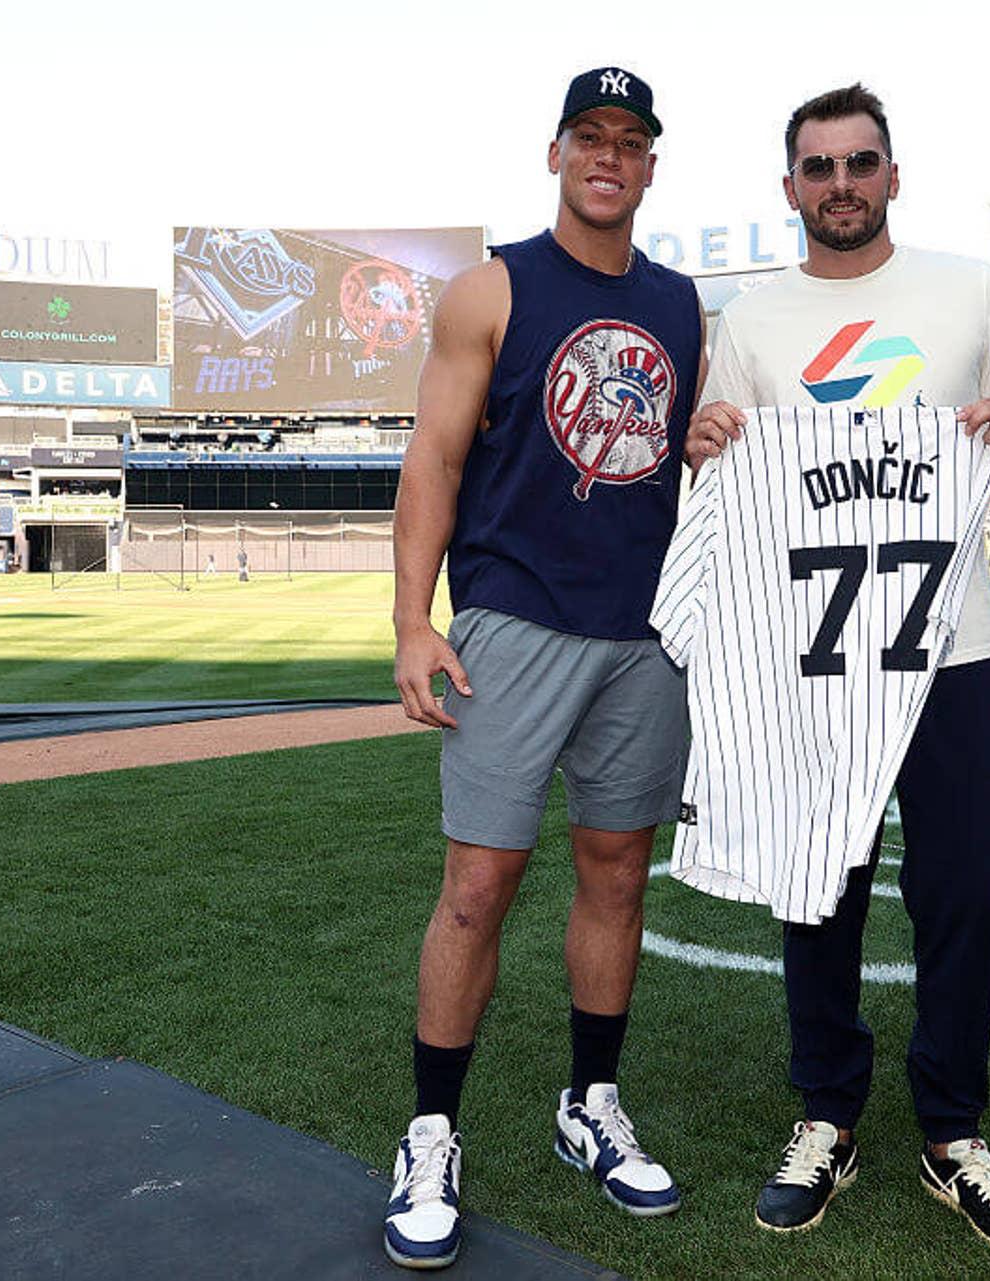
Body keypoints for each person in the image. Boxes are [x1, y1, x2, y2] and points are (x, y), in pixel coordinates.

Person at [686, 84, 990, 1258]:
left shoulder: (975, 292)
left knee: (959, 892)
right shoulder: (745, 324)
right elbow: (722, 495)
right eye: (818, 167)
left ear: (894, 176)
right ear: (789, 186)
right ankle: (826, 1114)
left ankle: (953, 1132)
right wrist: (706, 449)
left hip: (952, 646)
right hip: (814, 658)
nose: (840, 183)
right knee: (820, 887)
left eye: (860, 163)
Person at [383, 65, 701, 1270]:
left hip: (643, 635)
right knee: (478, 885)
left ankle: (590, 1106)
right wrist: (416, 624)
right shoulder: (490, 287)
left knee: (617, 874)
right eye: (591, 136)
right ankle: (430, 1131)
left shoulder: (681, 307)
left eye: (631, 139)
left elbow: (690, 466)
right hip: (512, 622)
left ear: (651, 164)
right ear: (557, 152)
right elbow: (433, 462)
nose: (610, 155)